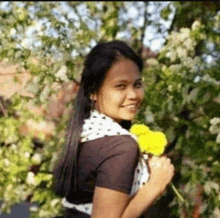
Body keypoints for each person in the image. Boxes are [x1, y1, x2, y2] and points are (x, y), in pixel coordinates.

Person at [53, 40, 174, 218]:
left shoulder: (87, 134)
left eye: (138, 84)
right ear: (93, 92)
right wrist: (155, 186)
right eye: (120, 86)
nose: (133, 95)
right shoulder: (121, 147)